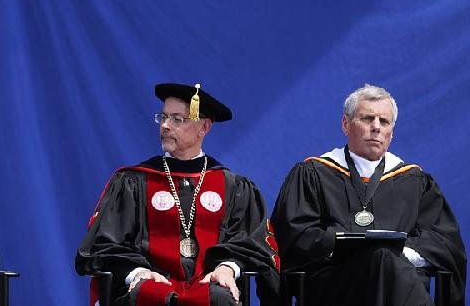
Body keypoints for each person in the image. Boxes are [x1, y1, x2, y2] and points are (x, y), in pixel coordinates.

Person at [76, 83, 279, 306]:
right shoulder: (134, 182)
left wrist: (227, 268)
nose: (165, 125)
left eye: (177, 119)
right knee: (145, 294)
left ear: (204, 128)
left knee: (221, 298)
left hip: (209, 288)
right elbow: (105, 244)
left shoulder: (233, 187)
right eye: (162, 117)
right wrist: (137, 273)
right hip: (150, 284)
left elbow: (251, 242)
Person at [271, 84, 466, 306]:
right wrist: (353, 249)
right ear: (346, 124)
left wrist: (399, 254)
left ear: (391, 132)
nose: (376, 127)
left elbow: (442, 243)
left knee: (386, 260)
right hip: (335, 284)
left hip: (400, 279)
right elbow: (295, 236)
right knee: (381, 258)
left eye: (384, 122)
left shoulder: (414, 181)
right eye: (367, 119)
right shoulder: (314, 173)